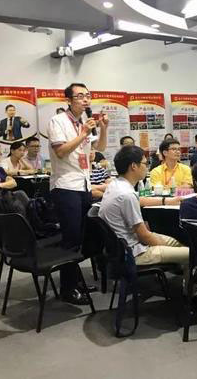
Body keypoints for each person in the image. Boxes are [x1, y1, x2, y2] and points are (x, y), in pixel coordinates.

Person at [48, 82, 109, 305]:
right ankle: (68, 288)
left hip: (83, 185)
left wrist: (103, 128)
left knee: (83, 237)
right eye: (80, 96)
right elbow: (61, 151)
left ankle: (75, 281)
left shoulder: (83, 122)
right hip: (65, 187)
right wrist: (83, 133)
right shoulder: (58, 121)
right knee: (71, 239)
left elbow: (99, 148)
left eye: (88, 96)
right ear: (69, 100)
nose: (85, 100)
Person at [99, 146, 189, 271]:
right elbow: (144, 236)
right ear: (133, 166)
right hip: (135, 252)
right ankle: (188, 282)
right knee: (191, 253)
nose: (147, 167)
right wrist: (163, 245)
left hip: (123, 245)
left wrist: (167, 201)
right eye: (145, 163)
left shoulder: (116, 184)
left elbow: (139, 200)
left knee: (178, 242)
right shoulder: (126, 195)